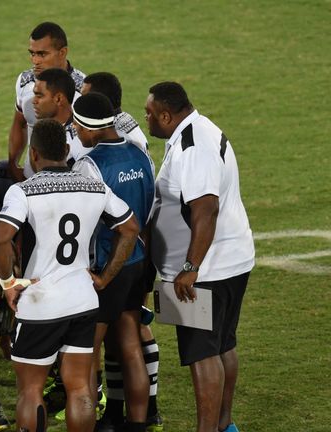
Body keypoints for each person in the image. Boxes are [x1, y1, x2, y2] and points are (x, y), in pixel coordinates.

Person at [0, 119, 139, 431]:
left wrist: (7, 284)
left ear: (33, 154)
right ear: (67, 150)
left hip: (40, 303)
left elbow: (0, 237)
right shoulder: (95, 187)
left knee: (31, 391)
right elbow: (130, 228)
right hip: (82, 300)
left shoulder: (23, 191)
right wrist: (105, 278)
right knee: (80, 388)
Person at [145, 81, 255, 432]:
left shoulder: (193, 147)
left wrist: (189, 268)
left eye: (149, 113)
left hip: (206, 271)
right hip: (229, 260)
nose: (146, 118)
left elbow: (205, 210)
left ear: (166, 114)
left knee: (202, 354)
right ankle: (224, 426)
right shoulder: (198, 129)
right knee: (223, 345)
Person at [79, 72, 163, 431]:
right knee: (129, 347)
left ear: (88, 127)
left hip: (106, 269)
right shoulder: (141, 155)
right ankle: (137, 423)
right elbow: (147, 211)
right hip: (138, 263)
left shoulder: (90, 164)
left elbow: (85, 225)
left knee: (87, 353)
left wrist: (99, 276)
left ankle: (93, 418)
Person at [8, 22, 86, 181]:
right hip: (30, 179)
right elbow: (20, 123)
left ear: (62, 52)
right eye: (32, 53)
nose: (35, 61)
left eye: (42, 54)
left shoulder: (84, 91)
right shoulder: (25, 82)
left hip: (70, 183)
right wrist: (12, 163)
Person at [81, 72, 150, 154]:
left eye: (84, 98)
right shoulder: (125, 118)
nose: (80, 102)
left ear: (100, 101)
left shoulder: (113, 136)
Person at [32, 67, 88, 165]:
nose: (33, 101)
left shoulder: (79, 140)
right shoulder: (42, 129)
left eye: (39, 95)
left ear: (58, 99)